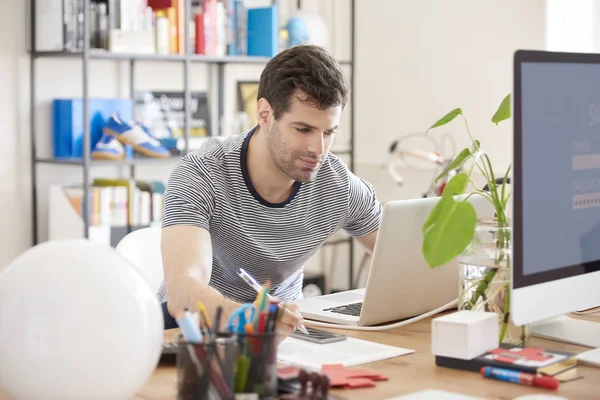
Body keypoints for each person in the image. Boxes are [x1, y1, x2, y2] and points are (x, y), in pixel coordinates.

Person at [160, 44, 382, 341]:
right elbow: (181, 291)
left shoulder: (337, 184)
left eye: (328, 132)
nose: (319, 150)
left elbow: (403, 257)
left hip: (290, 331)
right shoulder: (201, 174)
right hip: (196, 334)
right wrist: (249, 317)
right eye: (303, 130)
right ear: (265, 114)